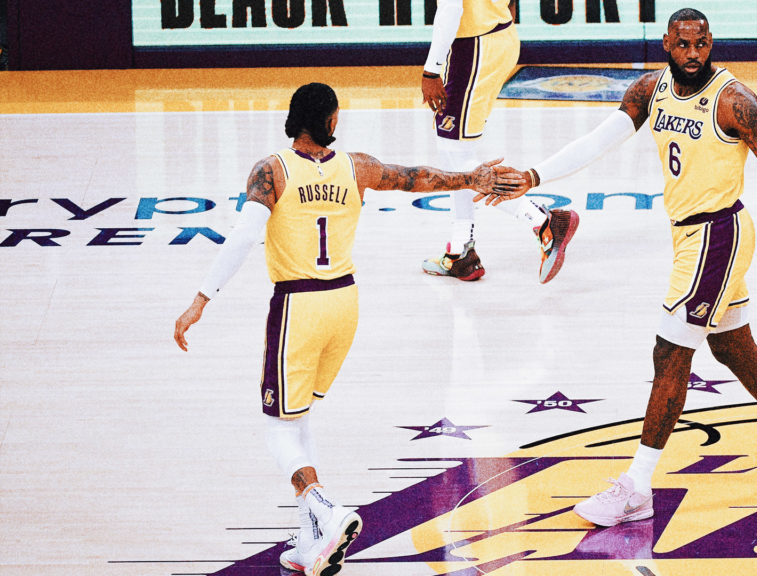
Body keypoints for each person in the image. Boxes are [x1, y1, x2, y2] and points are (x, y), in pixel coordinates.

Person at [479, 8, 757, 527]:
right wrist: (534, 176)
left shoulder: (734, 101)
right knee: (732, 347)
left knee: (670, 352)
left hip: (718, 236)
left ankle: (636, 486)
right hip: (689, 237)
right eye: (683, 44)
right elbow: (598, 140)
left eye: (701, 44)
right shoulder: (650, 90)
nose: (693, 54)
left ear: (711, 42)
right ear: (666, 44)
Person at [172, 83, 520, 575]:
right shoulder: (357, 167)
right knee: (298, 418)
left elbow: (245, 235)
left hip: (298, 304)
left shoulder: (271, 170)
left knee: (277, 426)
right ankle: (310, 538)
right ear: (331, 121)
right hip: (345, 303)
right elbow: (416, 178)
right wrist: (472, 177)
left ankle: (323, 507)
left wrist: (201, 298)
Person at [420, 0, 578, 283]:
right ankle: (460, 251)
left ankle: (543, 221)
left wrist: (431, 71)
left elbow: (451, 9)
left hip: (475, 45)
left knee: (456, 155)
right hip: (496, 34)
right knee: (454, 150)